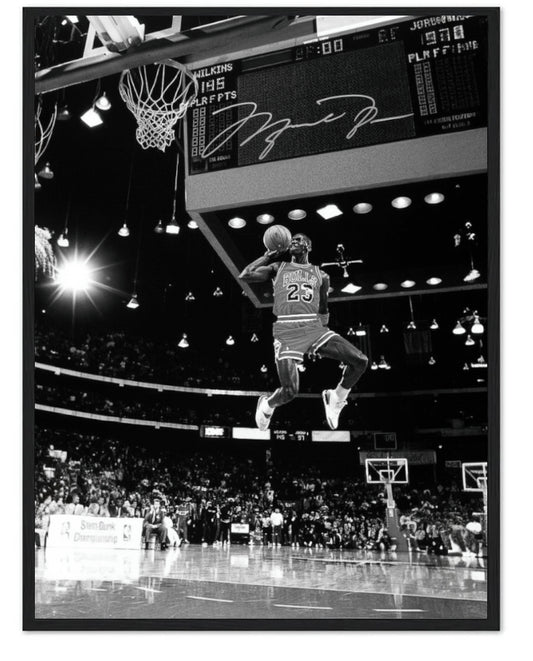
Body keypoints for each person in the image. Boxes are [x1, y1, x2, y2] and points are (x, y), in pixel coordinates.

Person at [239, 233, 368, 431]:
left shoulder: (321, 275)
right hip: (287, 329)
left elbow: (323, 307)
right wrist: (267, 256)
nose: (294, 241)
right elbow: (245, 275)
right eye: (292, 240)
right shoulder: (278, 267)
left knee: (360, 361)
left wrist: (320, 337)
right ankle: (267, 404)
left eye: (299, 240)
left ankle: (336, 397)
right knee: (290, 392)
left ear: (308, 246)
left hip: (313, 327)